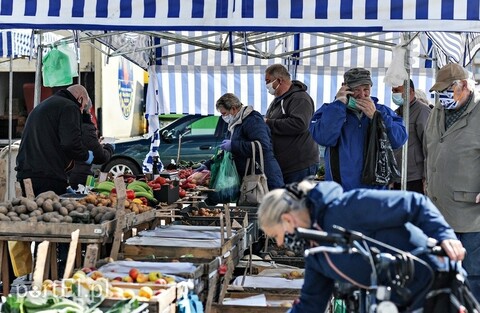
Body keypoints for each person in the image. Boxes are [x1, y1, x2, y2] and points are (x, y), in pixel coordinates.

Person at [258, 179, 465, 313]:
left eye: (277, 235)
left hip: (434, 280)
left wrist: (445, 235)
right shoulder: (315, 254)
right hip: (402, 299)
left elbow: (414, 202)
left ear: (287, 219)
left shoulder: (346, 207)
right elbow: (311, 304)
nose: (279, 243)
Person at [424, 62, 480, 301]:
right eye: (439, 91)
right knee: (440, 274)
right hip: (438, 208)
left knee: (472, 275)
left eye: (448, 89)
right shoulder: (438, 110)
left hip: (469, 213)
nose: (442, 96)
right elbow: (431, 146)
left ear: (464, 86)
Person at [309, 67, 407, 191]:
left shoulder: (382, 111)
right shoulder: (329, 110)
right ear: (344, 87)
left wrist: (377, 117)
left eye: (366, 89)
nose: (362, 94)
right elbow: (324, 138)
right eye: (356, 89)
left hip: (375, 191)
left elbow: (399, 140)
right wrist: (338, 105)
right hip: (341, 191)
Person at [16, 84, 94, 196]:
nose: (81, 112)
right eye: (84, 106)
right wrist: (85, 155)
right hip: (47, 177)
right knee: (50, 211)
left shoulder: (44, 105)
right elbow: (70, 143)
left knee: (32, 211)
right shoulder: (70, 106)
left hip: (26, 173)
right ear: (80, 99)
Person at [198, 93, 284, 191]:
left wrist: (234, 146)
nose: (223, 117)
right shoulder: (234, 124)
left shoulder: (253, 120)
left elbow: (263, 145)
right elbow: (226, 153)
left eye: (224, 113)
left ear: (233, 109)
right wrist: (207, 164)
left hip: (265, 177)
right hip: (249, 179)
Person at [264, 64, 319, 184]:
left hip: (299, 165)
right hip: (285, 165)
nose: (266, 85)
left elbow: (299, 124)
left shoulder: (300, 98)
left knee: (296, 201)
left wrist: (268, 123)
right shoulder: (277, 101)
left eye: (268, 81)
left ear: (279, 80)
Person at [391, 79, 431, 194]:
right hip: (399, 176)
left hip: (415, 177)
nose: (394, 94)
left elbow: (429, 144)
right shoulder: (397, 112)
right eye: (393, 91)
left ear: (410, 91)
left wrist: (426, 176)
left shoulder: (422, 111)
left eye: (397, 90)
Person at [68, 104, 114, 190]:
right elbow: (100, 156)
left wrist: (97, 143)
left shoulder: (68, 124)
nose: (91, 114)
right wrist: (109, 147)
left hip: (67, 174)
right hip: (80, 177)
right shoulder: (86, 127)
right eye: (89, 110)